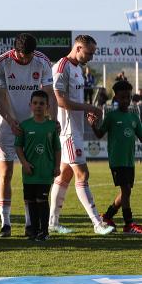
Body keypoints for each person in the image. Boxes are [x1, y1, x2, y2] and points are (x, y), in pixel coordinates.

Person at [0, 33, 56, 237]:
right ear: (15, 50)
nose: (26, 59)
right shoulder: (2, 62)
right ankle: (6, 223)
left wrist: (51, 121)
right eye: (22, 55)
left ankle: (30, 223)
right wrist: (10, 121)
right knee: (5, 173)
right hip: (7, 125)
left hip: (34, 126)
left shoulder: (42, 61)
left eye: (29, 55)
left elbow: (49, 94)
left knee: (32, 174)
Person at [49, 35, 114, 235]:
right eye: (89, 52)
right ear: (78, 48)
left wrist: (86, 113)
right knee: (83, 174)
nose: (91, 57)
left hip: (76, 129)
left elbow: (73, 100)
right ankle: (97, 223)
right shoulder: (61, 67)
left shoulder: (78, 68)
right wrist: (88, 106)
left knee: (64, 175)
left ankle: (52, 222)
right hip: (67, 131)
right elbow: (58, 99)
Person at [88, 80, 142, 234]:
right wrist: (93, 124)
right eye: (122, 97)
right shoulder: (111, 116)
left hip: (129, 161)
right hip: (117, 161)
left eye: (128, 97)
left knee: (126, 191)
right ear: (116, 98)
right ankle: (128, 224)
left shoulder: (134, 118)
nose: (126, 100)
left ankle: (107, 216)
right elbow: (99, 134)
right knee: (125, 189)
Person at [14, 90, 61, 240]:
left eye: (41, 103)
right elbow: (18, 146)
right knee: (31, 202)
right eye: (35, 103)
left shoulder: (51, 126)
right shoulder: (25, 125)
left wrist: (57, 166)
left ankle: (44, 232)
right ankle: (33, 231)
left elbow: (57, 148)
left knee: (42, 201)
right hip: (29, 172)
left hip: (45, 171)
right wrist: (24, 163)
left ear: (47, 106)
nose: (38, 106)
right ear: (30, 105)